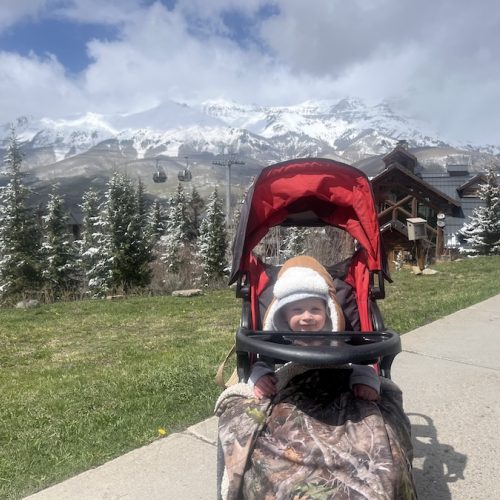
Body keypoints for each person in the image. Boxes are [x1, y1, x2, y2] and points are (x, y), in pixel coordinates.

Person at [248, 255, 380, 401]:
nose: (307, 316)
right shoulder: (279, 341)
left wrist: (365, 382)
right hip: (291, 399)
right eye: (297, 310)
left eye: (315, 309)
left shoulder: (339, 340)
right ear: (283, 315)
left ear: (328, 312)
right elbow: (263, 364)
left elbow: (361, 363)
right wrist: (260, 378)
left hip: (334, 395)